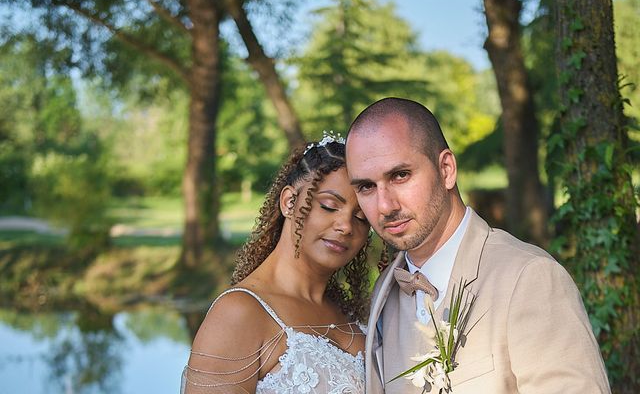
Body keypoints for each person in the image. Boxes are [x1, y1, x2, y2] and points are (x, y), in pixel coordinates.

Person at [345, 97, 610, 394]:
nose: (385, 206)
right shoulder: (383, 294)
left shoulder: (529, 278)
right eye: (366, 187)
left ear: (446, 169)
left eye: (400, 175)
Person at [181, 133, 371, 394]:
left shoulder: (352, 314)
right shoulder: (239, 313)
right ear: (289, 202)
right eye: (329, 206)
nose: (346, 226)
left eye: (361, 218)